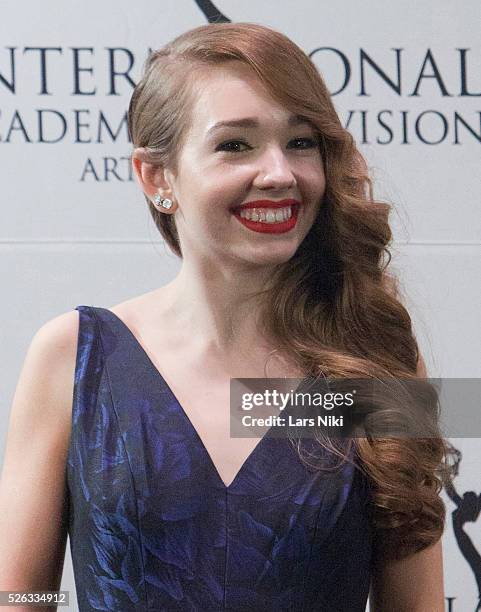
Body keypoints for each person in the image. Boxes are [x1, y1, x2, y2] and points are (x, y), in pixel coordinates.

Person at [0, 22, 455, 612]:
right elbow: (20, 593)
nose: (279, 173)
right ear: (157, 176)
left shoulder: (378, 359)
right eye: (235, 144)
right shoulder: (75, 355)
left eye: (301, 142)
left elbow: (414, 607)